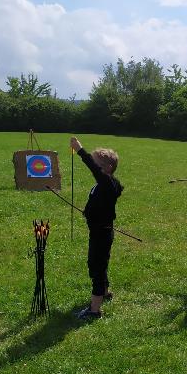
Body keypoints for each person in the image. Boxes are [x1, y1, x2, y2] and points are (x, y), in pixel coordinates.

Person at [70, 136, 123, 320]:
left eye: (97, 163)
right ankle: (105, 292)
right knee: (100, 264)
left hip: (101, 233)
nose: (94, 166)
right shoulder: (106, 184)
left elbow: (94, 170)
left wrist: (80, 150)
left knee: (96, 268)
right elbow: (99, 203)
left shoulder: (107, 183)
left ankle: (94, 310)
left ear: (108, 168)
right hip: (100, 230)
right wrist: (89, 212)